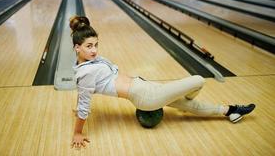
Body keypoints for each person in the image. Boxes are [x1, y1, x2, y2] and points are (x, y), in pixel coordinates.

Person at [69, 15, 255, 149]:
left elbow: (81, 93)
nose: (94, 50)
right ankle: (187, 101)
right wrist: (78, 132)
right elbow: (85, 100)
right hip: (146, 97)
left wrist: (77, 106)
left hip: (146, 86)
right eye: (88, 46)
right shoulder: (85, 73)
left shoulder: (91, 61)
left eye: (96, 45)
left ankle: (230, 111)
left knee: (191, 104)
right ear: (77, 48)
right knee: (198, 80)